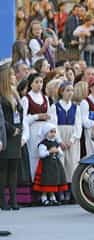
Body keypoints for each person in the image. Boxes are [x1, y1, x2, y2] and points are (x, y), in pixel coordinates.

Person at [49, 82, 82, 202]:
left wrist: (72, 140)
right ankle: (60, 191)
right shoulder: (55, 107)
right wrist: (60, 140)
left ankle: (71, 190)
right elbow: (53, 124)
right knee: (61, 163)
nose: (70, 93)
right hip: (61, 135)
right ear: (61, 92)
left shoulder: (76, 108)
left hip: (72, 139)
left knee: (72, 164)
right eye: (67, 90)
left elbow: (78, 126)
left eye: (72, 90)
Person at [0, 62, 23, 210]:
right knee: (3, 169)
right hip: (6, 133)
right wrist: (11, 129)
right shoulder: (1, 95)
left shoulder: (15, 93)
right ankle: (3, 200)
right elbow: (1, 118)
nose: (15, 77)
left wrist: (19, 130)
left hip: (16, 135)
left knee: (14, 168)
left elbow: (20, 113)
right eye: (12, 75)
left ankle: (13, 200)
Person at [21, 73, 51, 180]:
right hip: (33, 130)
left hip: (44, 130)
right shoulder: (26, 99)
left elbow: (49, 115)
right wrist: (37, 116)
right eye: (36, 82)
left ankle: (44, 185)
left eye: (41, 82)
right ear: (31, 84)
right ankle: (33, 181)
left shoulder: (45, 99)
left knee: (44, 156)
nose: (39, 85)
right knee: (34, 156)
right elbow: (23, 119)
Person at [33, 123, 68, 206]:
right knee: (47, 181)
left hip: (55, 165)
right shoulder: (43, 143)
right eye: (51, 132)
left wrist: (58, 151)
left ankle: (53, 197)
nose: (53, 134)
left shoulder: (55, 143)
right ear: (46, 133)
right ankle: (44, 197)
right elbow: (41, 154)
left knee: (53, 181)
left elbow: (61, 154)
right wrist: (49, 152)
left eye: (54, 132)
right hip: (46, 166)